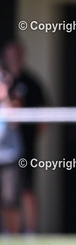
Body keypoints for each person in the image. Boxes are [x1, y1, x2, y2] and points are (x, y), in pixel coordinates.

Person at [2, 41, 47, 234]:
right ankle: (8, 232)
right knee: (6, 196)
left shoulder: (31, 82)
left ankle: (29, 232)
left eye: (17, 54)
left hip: (22, 147)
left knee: (26, 189)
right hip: (3, 149)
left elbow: (43, 116)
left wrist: (7, 97)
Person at [0, 66, 23, 234]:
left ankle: (13, 237)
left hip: (9, 157)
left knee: (10, 201)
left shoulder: (15, 97)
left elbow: (15, 122)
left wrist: (5, 97)